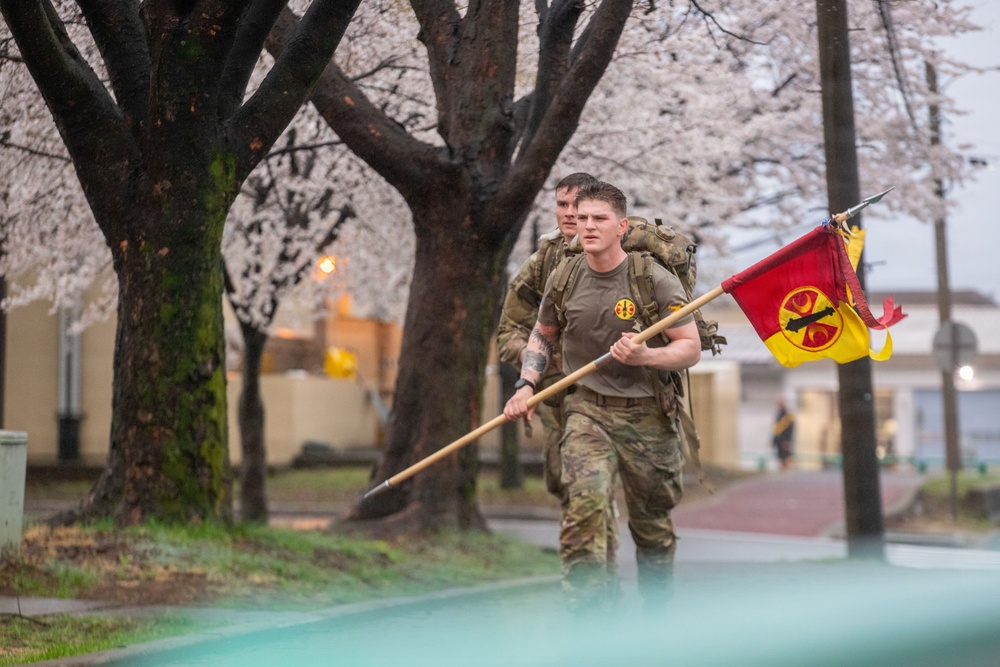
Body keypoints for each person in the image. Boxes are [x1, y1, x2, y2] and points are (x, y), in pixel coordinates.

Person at [503, 181, 701, 611]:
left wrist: (647, 354)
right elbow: (543, 333)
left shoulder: (653, 279)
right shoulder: (565, 274)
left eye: (599, 218)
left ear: (621, 226)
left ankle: (657, 613)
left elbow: (690, 347)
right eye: (583, 217)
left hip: (648, 418)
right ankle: (589, 621)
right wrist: (526, 385)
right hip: (587, 412)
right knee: (584, 510)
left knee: (652, 529)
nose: (586, 226)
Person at [496, 173, 622, 572]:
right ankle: (591, 580)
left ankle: (597, 582)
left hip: (614, 397)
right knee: (567, 485)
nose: (570, 215)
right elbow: (509, 332)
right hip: (557, 399)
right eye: (562, 206)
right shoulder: (545, 260)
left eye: (578, 207)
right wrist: (541, 365)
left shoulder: (626, 253)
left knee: (593, 490)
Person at [772, 398, 795, 470]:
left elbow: (791, 429)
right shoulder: (779, 414)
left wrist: (788, 440)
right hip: (779, 440)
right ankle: (783, 473)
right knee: (781, 459)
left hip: (785, 441)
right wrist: (774, 441)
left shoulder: (788, 415)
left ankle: (788, 474)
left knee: (787, 458)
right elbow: (776, 430)